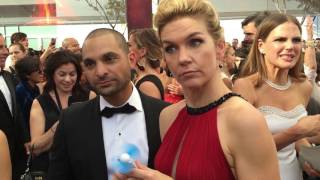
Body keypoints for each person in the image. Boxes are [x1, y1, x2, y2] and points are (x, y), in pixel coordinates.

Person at [114, 0, 280, 179]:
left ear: (220, 48)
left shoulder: (244, 120)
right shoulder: (168, 116)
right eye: (171, 48)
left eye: (195, 42)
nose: (183, 58)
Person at [48, 28, 170, 180]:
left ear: (131, 59)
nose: (100, 71)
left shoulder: (165, 115)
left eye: (110, 59)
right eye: (90, 64)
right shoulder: (71, 120)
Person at [233, 13, 320, 180]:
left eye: (295, 40)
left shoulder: (303, 87)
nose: (290, 46)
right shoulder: (245, 87)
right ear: (261, 46)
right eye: (280, 39)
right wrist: (298, 131)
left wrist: (308, 158)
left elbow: (297, 141)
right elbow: (246, 152)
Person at [29, 50, 95, 174]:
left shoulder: (90, 96)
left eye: (72, 74)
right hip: (53, 169)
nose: (68, 79)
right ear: (52, 75)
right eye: (62, 74)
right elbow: (35, 148)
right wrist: (61, 123)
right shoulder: (40, 102)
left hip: (85, 167)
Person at [0, 34, 27, 180]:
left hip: (16, 153)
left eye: (5, 47)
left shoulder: (9, 77)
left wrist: (26, 139)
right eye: (0, 48)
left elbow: (17, 113)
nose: (5, 52)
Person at [128, 28, 165, 100]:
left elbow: (152, 111)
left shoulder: (147, 85)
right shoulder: (142, 77)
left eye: (129, 45)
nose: (126, 49)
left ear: (142, 51)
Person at [15, 56, 42, 141]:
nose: (42, 73)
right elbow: (21, 118)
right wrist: (26, 139)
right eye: (39, 71)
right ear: (27, 74)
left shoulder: (35, 87)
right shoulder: (21, 90)